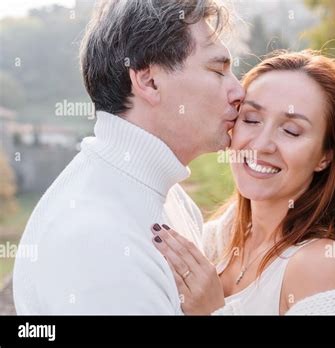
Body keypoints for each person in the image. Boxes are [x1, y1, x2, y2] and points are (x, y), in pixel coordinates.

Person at [13, 0, 244, 314]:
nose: (239, 91)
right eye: (218, 70)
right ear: (149, 81)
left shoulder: (170, 197)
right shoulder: (95, 240)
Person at [151, 50, 335, 315]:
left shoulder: (322, 265)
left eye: (291, 130)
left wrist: (211, 312)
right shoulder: (218, 239)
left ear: (325, 156)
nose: (261, 144)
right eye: (252, 119)